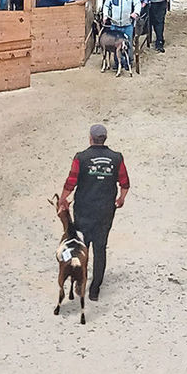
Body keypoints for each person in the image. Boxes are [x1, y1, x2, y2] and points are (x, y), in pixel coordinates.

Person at [61, 125, 128, 301]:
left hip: (83, 211)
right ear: (104, 138)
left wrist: (63, 200)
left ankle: (80, 282)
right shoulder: (116, 158)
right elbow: (125, 183)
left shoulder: (81, 158)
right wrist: (121, 199)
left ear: (90, 138)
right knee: (100, 249)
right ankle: (95, 289)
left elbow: (71, 182)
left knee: (82, 248)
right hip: (105, 212)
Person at [100, 0, 142, 73]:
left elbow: (137, 4)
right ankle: (117, 62)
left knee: (128, 43)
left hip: (127, 24)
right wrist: (105, 15)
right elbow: (106, 5)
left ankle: (128, 62)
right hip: (115, 24)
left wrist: (136, 13)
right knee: (115, 44)